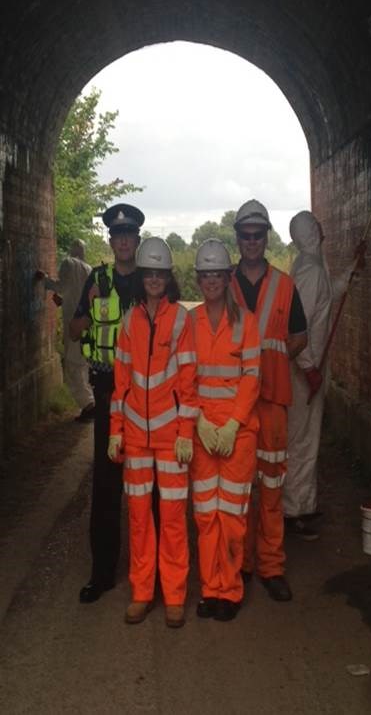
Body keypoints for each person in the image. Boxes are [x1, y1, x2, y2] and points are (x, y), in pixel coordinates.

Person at [108, 237, 198, 628]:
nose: (155, 280)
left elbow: (189, 381)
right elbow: (121, 382)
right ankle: (143, 592)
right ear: (143, 276)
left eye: (162, 273)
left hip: (169, 436)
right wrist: (116, 430)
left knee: (174, 517)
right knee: (140, 518)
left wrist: (185, 429)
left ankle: (175, 595)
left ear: (168, 277)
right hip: (136, 437)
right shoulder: (129, 322)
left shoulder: (181, 320)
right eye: (150, 273)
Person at [231, 199, 307, 602]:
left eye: (258, 235)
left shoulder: (285, 285)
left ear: (266, 237)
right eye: (245, 235)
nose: (252, 241)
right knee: (240, 487)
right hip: (234, 406)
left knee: (272, 486)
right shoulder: (222, 283)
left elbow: (299, 337)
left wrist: (273, 363)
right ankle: (241, 564)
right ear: (238, 238)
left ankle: (271, 566)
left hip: (273, 401)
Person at [69, 203, 145, 603]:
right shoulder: (97, 279)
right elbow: (73, 330)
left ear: (137, 239)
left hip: (148, 397)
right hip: (108, 392)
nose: (123, 241)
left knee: (147, 484)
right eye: (117, 236)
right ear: (111, 242)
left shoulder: (154, 278)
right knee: (107, 482)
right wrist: (91, 305)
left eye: (129, 235)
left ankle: (148, 572)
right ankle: (101, 573)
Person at [190, 239, 261, 621]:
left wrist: (233, 423)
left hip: (237, 432)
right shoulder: (191, 323)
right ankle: (210, 589)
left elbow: (252, 376)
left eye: (218, 274)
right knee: (206, 514)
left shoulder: (245, 323)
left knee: (231, 514)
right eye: (206, 275)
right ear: (199, 280)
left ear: (228, 277)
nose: (212, 281)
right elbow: (185, 377)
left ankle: (230, 591)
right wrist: (199, 420)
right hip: (203, 432)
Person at [283, 210, 365, 539]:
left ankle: (299, 504)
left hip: (310, 367)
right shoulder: (309, 271)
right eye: (316, 226)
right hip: (305, 370)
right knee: (301, 441)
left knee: (303, 439)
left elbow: (328, 295)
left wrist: (351, 269)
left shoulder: (309, 266)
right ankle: (295, 511)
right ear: (310, 233)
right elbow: (296, 327)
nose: (321, 229)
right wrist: (309, 369)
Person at [35, 239, 95, 421]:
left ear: (72, 250)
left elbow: (61, 286)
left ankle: (88, 405)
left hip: (73, 324)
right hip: (87, 322)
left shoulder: (69, 263)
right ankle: (90, 403)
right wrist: (63, 302)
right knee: (82, 364)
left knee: (71, 366)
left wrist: (44, 278)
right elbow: (79, 295)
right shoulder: (89, 269)